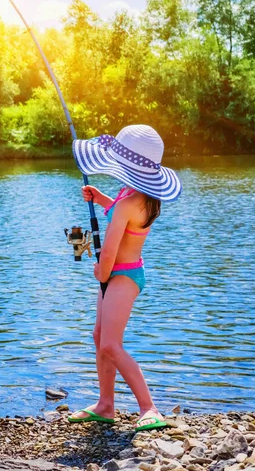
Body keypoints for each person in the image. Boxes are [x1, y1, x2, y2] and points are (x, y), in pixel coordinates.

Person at [67, 124, 182, 432]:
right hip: (120, 274)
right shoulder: (132, 197)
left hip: (123, 276)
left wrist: (100, 272)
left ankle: (149, 407)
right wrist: (103, 199)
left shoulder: (130, 203)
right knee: (99, 338)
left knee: (111, 345)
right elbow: (117, 213)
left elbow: (111, 250)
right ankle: (106, 405)